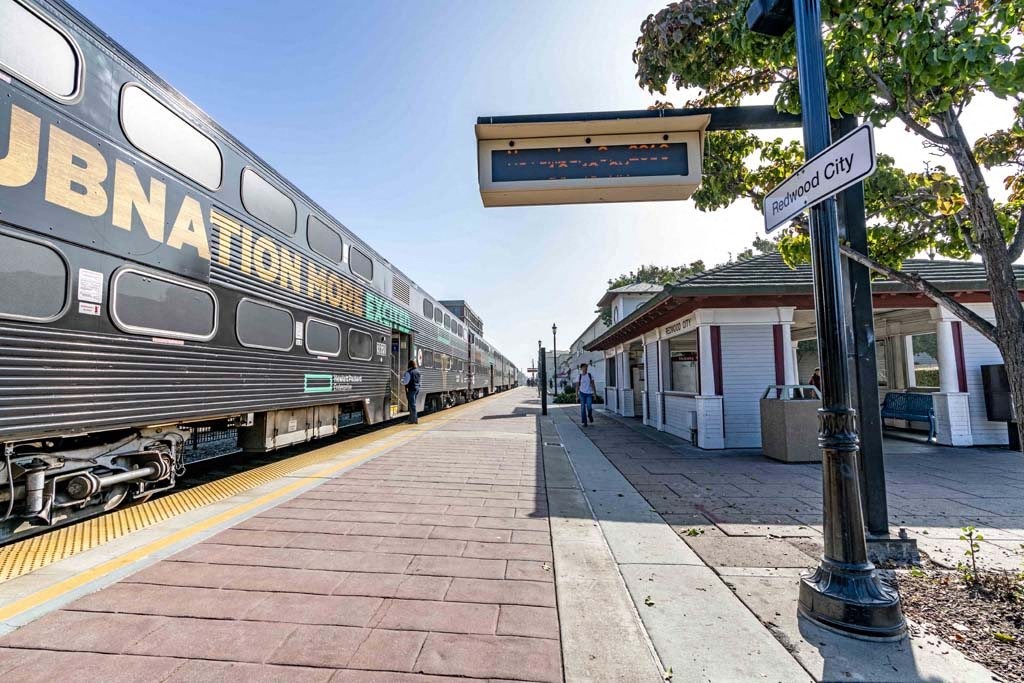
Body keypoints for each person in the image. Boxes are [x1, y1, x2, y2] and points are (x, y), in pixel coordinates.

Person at [401, 360, 421, 424]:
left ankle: (414, 420)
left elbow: (405, 382)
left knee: (412, 405)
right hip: (417, 389)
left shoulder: (409, 372)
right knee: (413, 404)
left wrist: (402, 381)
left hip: (411, 389)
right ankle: (411, 418)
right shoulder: (418, 371)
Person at [576, 362, 595, 427]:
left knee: (589, 407)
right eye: (584, 367)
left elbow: (593, 384)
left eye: (586, 367)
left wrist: (594, 394)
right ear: (581, 368)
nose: (585, 368)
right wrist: (576, 396)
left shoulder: (590, 375)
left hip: (589, 393)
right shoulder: (579, 376)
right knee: (583, 408)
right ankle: (584, 422)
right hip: (582, 393)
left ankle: (590, 415)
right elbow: (577, 386)